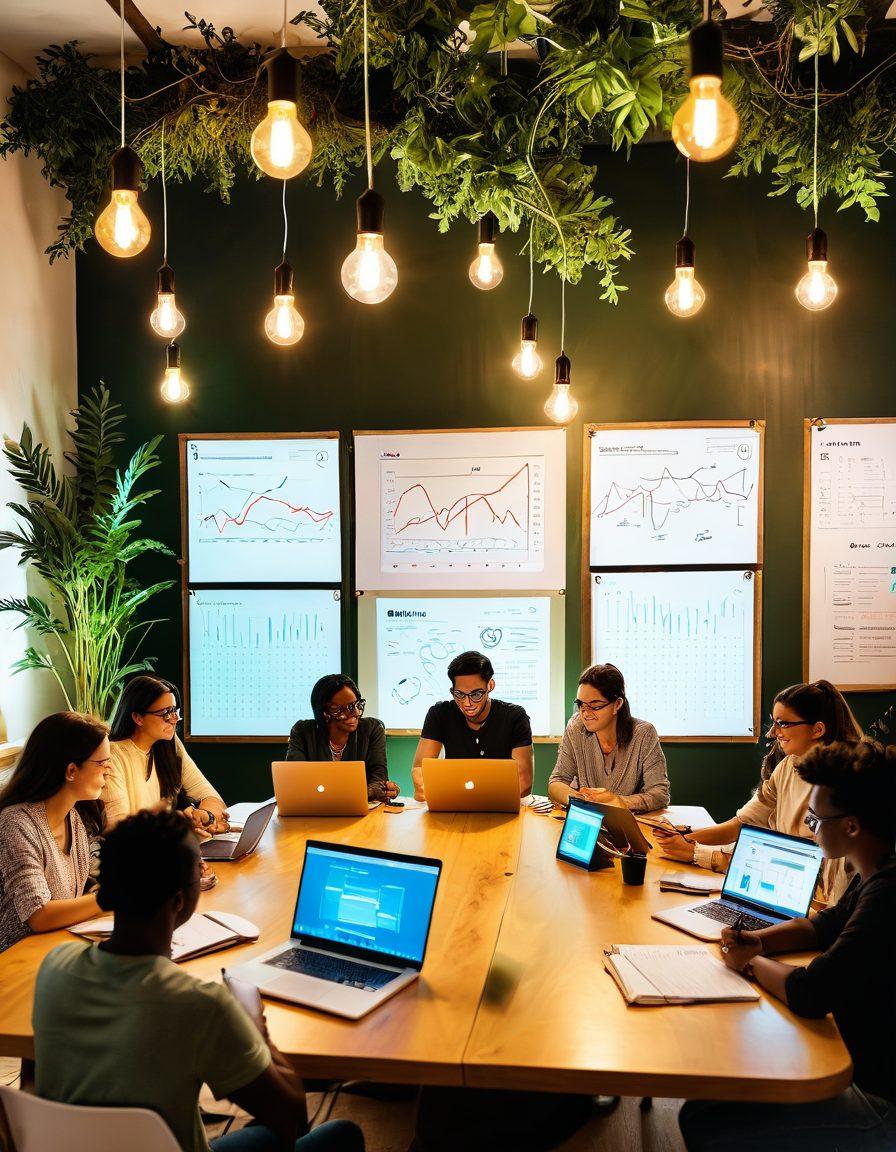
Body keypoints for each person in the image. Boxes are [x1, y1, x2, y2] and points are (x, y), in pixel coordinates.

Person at [32, 808, 365, 1152]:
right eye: (198, 871)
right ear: (180, 901)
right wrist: (255, 1027)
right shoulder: (199, 1004)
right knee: (342, 1134)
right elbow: (293, 1119)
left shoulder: (54, 967)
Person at [679, 738, 896, 1151]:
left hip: (878, 1099)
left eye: (815, 820)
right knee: (704, 1106)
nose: (809, 828)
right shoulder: (874, 867)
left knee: (705, 1122)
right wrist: (757, 939)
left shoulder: (887, 893)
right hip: (854, 1064)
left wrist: (748, 961)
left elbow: (810, 991)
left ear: (850, 826)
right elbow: (824, 924)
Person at [654, 680, 861, 901]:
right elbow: (743, 822)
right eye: (774, 722)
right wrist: (685, 838)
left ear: (818, 729)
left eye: (784, 724)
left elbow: (809, 872)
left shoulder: (844, 782)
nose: (774, 732)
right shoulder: (788, 766)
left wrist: (695, 851)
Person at [0, 712, 108, 952]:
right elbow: (39, 915)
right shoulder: (17, 823)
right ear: (71, 771)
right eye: (101, 763)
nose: (108, 770)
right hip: (14, 963)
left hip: (54, 951)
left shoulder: (75, 819)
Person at [105, 675, 227, 834]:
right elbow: (119, 831)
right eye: (166, 713)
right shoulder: (113, 755)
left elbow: (212, 797)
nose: (175, 719)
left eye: (175, 711)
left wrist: (204, 816)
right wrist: (176, 827)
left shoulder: (168, 743)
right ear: (138, 718)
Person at [411, 651, 533, 803]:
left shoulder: (515, 717)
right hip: (454, 805)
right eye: (459, 694)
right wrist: (426, 789)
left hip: (500, 808)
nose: (467, 703)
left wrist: (471, 797)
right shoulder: (440, 714)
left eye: (476, 695)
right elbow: (419, 769)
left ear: (490, 685)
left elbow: (524, 782)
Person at [548, 664, 670, 813]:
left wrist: (617, 801)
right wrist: (577, 798)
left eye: (595, 705)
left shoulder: (644, 734)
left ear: (617, 704)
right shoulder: (575, 728)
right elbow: (557, 781)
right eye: (580, 705)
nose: (585, 713)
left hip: (630, 823)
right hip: (588, 819)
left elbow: (660, 794)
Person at [286, 674, 399, 803]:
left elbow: (378, 778)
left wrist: (382, 789)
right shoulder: (303, 731)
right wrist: (361, 792)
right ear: (325, 712)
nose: (356, 712)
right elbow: (295, 782)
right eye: (347, 708)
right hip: (314, 811)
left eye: (357, 705)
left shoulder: (372, 729)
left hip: (360, 813)